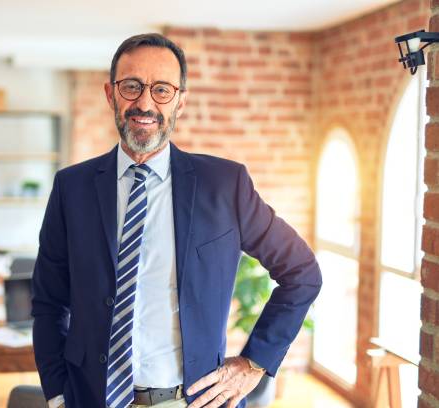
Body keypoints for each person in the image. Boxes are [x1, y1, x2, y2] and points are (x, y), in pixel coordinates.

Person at [32, 33, 322, 408]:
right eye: (131, 87)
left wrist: (254, 362)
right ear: (110, 94)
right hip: (91, 398)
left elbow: (302, 272)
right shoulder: (71, 188)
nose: (145, 103)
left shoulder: (224, 185)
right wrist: (57, 395)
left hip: (192, 401)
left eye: (162, 90)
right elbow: (49, 302)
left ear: (180, 101)